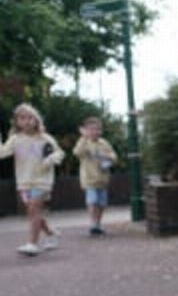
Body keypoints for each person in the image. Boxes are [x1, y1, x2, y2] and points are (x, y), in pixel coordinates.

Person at [0, 103, 64, 256]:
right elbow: (2, 153)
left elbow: (59, 152)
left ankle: (33, 244)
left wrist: (51, 159)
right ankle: (50, 233)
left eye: (30, 117)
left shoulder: (44, 138)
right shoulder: (15, 140)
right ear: (17, 122)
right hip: (24, 182)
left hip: (42, 181)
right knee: (32, 212)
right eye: (22, 118)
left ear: (36, 120)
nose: (27, 121)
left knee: (34, 208)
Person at [74, 116, 117, 236]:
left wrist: (108, 158)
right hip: (89, 179)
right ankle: (93, 224)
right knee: (92, 201)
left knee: (102, 204)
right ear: (86, 130)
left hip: (102, 179)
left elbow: (114, 156)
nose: (95, 132)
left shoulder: (104, 143)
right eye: (92, 129)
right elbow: (77, 152)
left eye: (98, 129)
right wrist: (83, 138)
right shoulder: (84, 142)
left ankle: (97, 224)